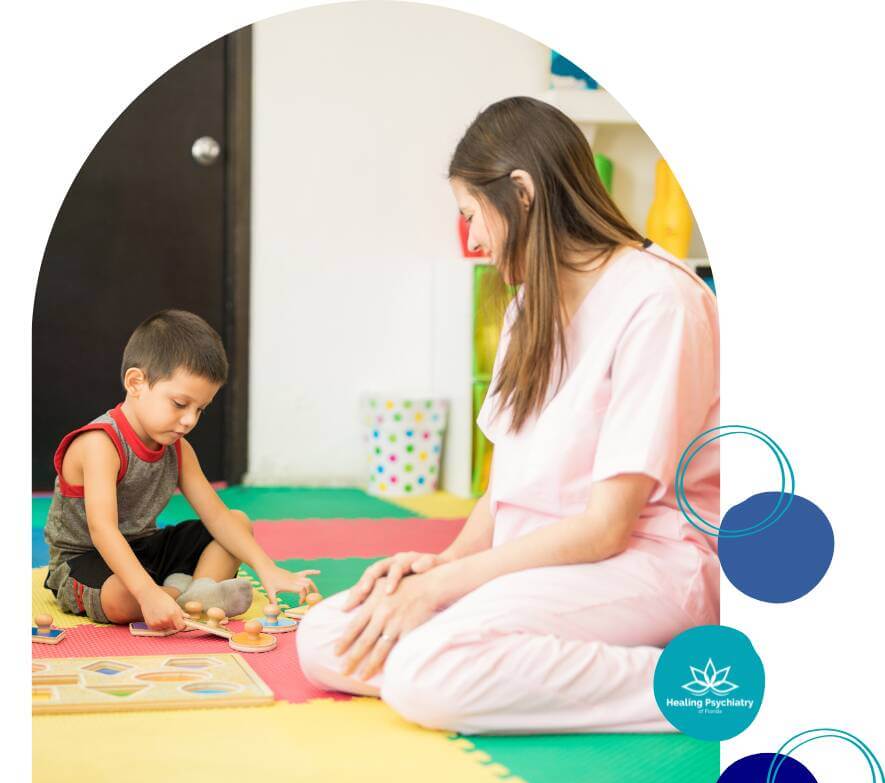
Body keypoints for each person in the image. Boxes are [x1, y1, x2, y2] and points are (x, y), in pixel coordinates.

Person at [296, 96, 719, 735]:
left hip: (648, 564)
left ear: (522, 192)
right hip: (540, 562)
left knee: (425, 671)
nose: (472, 239)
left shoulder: (660, 301)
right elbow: (504, 493)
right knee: (328, 635)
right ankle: (507, 665)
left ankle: (704, 686)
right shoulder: (529, 306)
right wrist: (442, 566)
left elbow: (608, 528)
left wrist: (446, 589)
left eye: (471, 214)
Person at [44, 309, 318, 630]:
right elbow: (103, 530)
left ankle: (193, 593)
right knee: (123, 598)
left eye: (200, 409)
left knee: (238, 523)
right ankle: (181, 593)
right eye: (179, 404)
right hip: (86, 558)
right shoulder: (100, 444)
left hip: (145, 549)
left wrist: (266, 567)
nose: (189, 420)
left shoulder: (178, 448)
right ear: (136, 382)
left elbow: (217, 517)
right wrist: (146, 592)